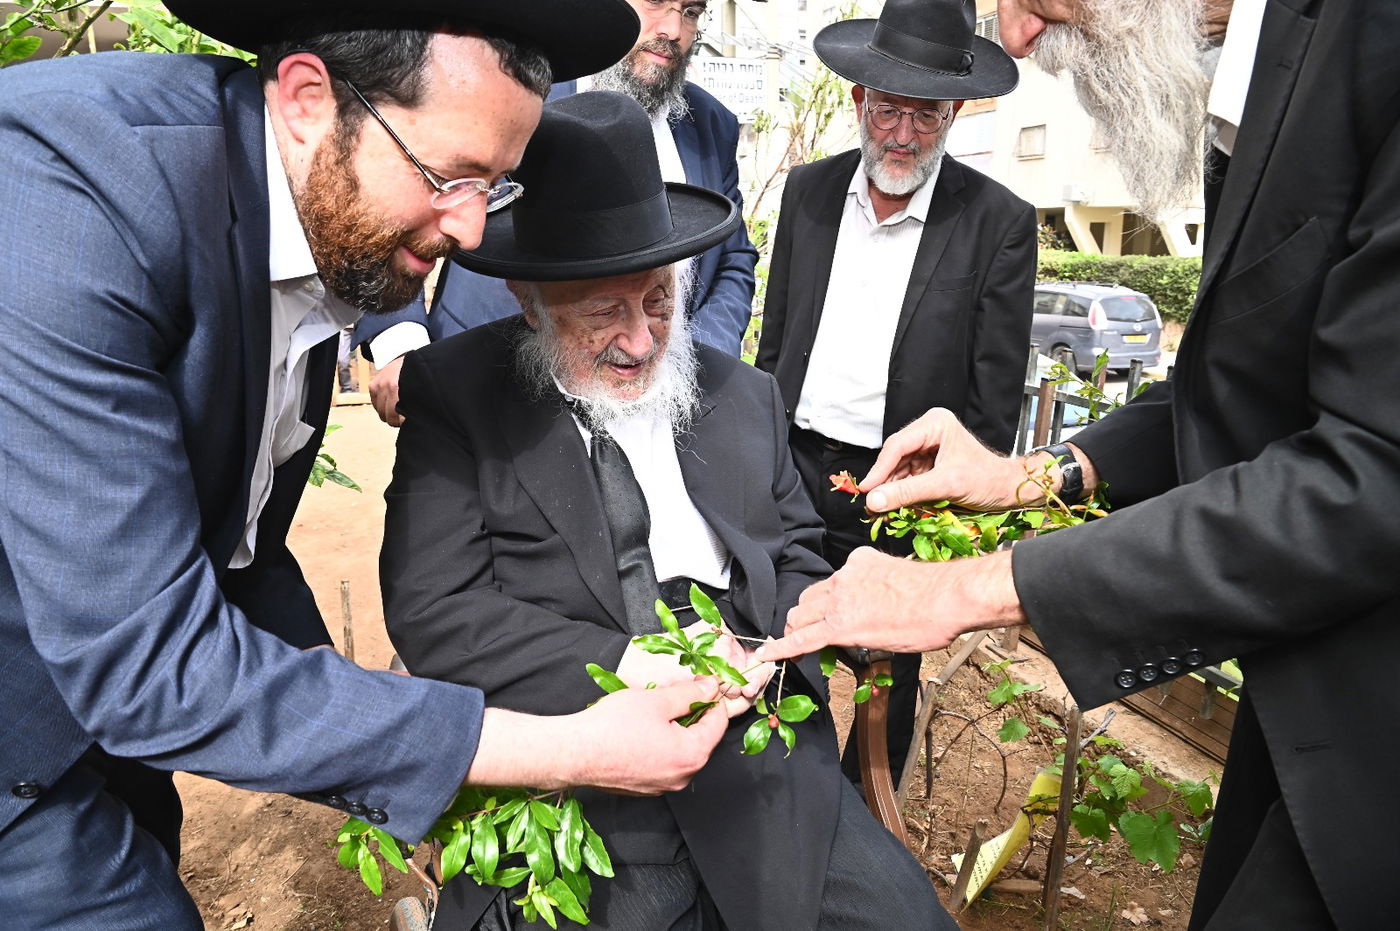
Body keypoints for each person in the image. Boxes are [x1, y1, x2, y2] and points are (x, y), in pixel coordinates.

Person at [0, 3, 733, 925]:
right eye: (448, 175)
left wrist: (377, 737)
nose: (468, 231)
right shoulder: (70, 192)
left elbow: (239, 548)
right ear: (308, 99)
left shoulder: (311, 222)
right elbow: (150, 666)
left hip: (97, 734)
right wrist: (561, 750)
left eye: (495, 186)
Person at [758, 0, 1400, 927]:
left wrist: (971, 584)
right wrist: (1034, 474)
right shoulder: (1268, 73)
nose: (1015, 39)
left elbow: (1368, 473)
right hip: (1300, 707)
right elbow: (1232, 388)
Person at [380, 91, 953, 931]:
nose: (644, 341)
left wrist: (815, 613)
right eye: (604, 311)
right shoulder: (458, 397)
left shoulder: (744, 393)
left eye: (657, 301)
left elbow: (794, 550)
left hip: (757, 753)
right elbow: (435, 611)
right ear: (529, 298)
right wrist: (635, 661)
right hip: (576, 751)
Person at [755, 0, 1035, 786]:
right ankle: (777, 807)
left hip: (901, 492)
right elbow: (776, 346)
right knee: (777, 645)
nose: (903, 135)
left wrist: (944, 507)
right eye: (888, 110)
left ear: (955, 113)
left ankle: (857, 828)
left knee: (889, 677)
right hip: (793, 472)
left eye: (927, 115)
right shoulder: (807, 194)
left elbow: (991, 404)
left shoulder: (998, 223)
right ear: (858, 101)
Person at [356, 0, 759, 428]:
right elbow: (404, 196)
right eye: (656, 2)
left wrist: (694, 360)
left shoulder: (712, 124)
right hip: (487, 387)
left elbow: (732, 255)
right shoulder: (504, 80)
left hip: (655, 400)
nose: (675, 29)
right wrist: (401, 342)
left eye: (692, 11)